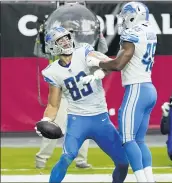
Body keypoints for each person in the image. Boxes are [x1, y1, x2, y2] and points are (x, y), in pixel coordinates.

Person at [36, 26, 129, 183]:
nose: (66, 41)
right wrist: (45, 120)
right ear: (53, 45)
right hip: (77, 120)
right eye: (61, 39)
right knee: (66, 157)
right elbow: (53, 104)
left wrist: (100, 70)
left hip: (101, 119)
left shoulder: (84, 51)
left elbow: (111, 64)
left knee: (123, 163)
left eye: (67, 37)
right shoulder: (52, 71)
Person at [85, 2, 157, 182]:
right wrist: (104, 69)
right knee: (139, 140)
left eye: (125, 15)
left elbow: (118, 64)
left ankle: (142, 180)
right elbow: (124, 61)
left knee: (127, 139)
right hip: (149, 88)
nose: (123, 19)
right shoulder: (149, 31)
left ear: (133, 16)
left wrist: (97, 63)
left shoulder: (131, 34)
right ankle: (150, 179)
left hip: (136, 89)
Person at [34, 2, 108, 169]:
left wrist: (99, 35)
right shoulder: (55, 46)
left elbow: (103, 50)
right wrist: (39, 39)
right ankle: (42, 158)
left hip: (80, 90)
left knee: (83, 126)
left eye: (72, 31)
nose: (69, 36)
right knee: (55, 124)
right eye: (68, 31)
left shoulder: (81, 47)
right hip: (63, 88)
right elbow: (39, 52)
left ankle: (81, 159)